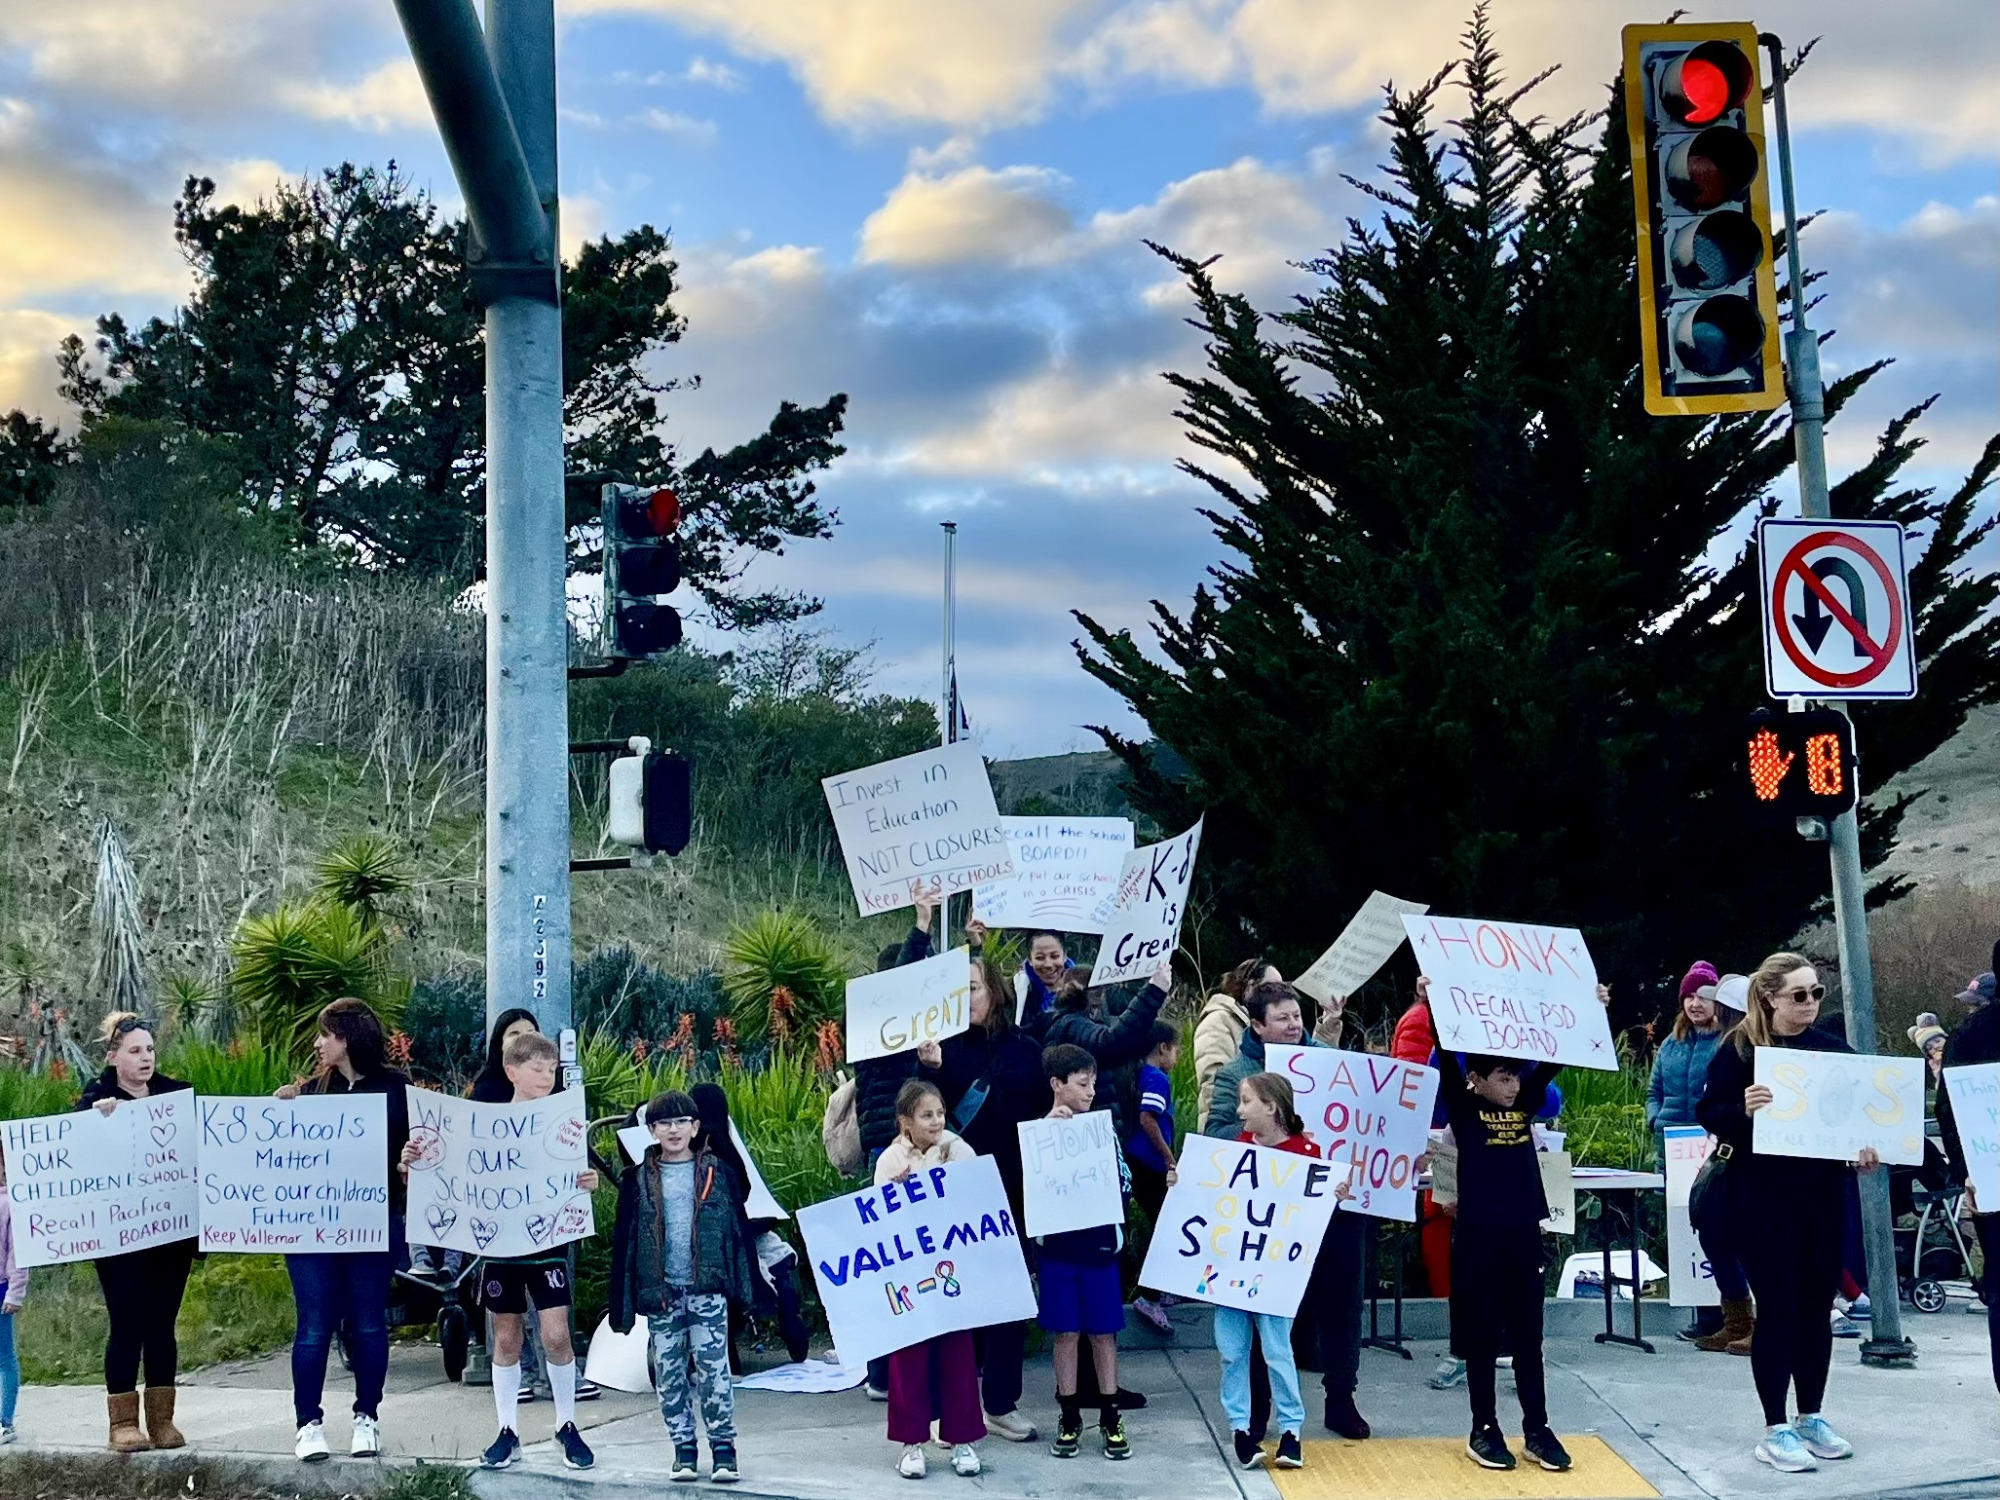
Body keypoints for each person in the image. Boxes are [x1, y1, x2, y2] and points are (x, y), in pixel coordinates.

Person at [1697, 952, 1879, 1474]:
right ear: (1770, 997)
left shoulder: (1831, 1050)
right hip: (1761, 1199)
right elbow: (1708, 1112)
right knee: (1776, 1310)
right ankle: (1775, 1425)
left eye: (1816, 993)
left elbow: (1857, 1116)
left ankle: (1812, 1414)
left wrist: (1863, 1154)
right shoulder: (1740, 1050)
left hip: (1820, 1195)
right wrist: (1742, 1110)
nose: (1809, 1003)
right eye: (1799, 994)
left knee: (1815, 1309)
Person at [1208, 980, 1373, 1440]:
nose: (1293, 1024)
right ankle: (1257, 1413)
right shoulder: (1236, 1075)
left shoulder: (1326, 1062)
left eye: (1296, 1016)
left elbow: (1366, 1125)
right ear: (1257, 1026)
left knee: (1341, 1308)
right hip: (1269, 1217)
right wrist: (1267, 1134)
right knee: (1268, 1314)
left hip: (1332, 1211)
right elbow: (1217, 1133)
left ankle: (1341, 1399)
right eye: (1281, 1018)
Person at [918, 939, 1047, 1442]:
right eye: (954, 990)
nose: (964, 998)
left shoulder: (1027, 1050)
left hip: (1012, 1194)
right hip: (954, 1196)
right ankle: (949, 1408)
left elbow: (1044, 1116)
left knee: (1009, 1301)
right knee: (952, 1300)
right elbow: (916, 1122)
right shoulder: (937, 1051)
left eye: (970, 987)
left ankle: (1000, 1403)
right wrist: (926, 1071)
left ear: (993, 990)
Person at [274, 998, 412, 1463]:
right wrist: (281, 1112)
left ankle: (366, 1417)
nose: (318, 1043)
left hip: (375, 1222)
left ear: (347, 1038)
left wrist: (409, 1164)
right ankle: (307, 1424)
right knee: (313, 1326)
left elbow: (419, 1152)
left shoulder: (398, 1089)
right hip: (312, 1228)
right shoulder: (311, 1092)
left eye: (325, 1035)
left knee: (368, 1323)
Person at [458, 1030, 600, 1473]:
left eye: (553, 1070)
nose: (546, 1077)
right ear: (512, 1071)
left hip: (548, 1241)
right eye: (537, 1069)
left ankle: (566, 1423)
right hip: (503, 1244)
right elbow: (461, 1171)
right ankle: (507, 1430)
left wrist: (587, 1182)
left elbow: (579, 1175)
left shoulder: (564, 1124)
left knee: (556, 1333)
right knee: (506, 1336)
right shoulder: (488, 1124)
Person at [1429, 1029, 1570, 1475]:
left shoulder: (1524, 1103)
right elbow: (1449, 1052)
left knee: (1529, 1338)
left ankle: (1537, 1430)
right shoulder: (1466, 1110)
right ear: (1477, 1079)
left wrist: (1591, 1006)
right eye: (1503, 1078)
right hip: (1478, 1239)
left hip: (1524, 1236)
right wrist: (1436, 1004)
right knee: (1483, 1337)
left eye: (1515, 1078)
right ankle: (1483, 1427)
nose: (1512, 1086)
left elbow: (1553, 1058)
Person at [609, 1088, 758, 1484]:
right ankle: (684, 1449)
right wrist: (622, 1300)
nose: (673, 1130)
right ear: (651, 1130)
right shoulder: (637, 1180)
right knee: (670, 1372)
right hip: (661, 1292)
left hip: (707, 1288)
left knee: (714, 1369)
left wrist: (745, 1288)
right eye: (663, 1123)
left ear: (695, 1127)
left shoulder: (718, 1172)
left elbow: (737, 1231)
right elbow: (624, 1243)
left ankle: (724, 1449)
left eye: (681, 1122)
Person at [77, 1013, 197, 1453]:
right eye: (134, 1050)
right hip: (119, 1242)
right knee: (127, 1323)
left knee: (163, 1326)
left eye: (149, 1049)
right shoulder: (95, 1099)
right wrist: (96, 1119)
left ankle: (162, 1420)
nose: (145, 1058)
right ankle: (122, 1423)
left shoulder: (178, 1096)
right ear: (114, 1057)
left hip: (170, 1236)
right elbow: (72, 1153)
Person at [855, 882, 941, 1401]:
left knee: (904, 1260)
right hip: (888, 1152)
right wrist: (923, 923)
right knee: (895, 1261)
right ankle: (883, 1371)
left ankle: (889, 1370)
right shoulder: (878, 1026)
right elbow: (909, 980)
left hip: (900, 1147)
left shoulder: (903, 1038)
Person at [1218, 1072, 1331, 1472]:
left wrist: (1334, 1195)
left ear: (1272, 1106)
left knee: (1277, 1351)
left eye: (1246, 1101)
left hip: (1276, 1274)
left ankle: (1291, 1430)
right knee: (1232, 1352)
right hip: (1234, 1271)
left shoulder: (1307, 1153)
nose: (1239, 1109)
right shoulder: (1238, 1149)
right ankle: (1239, 1429)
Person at [874, 1079, 985, 1479]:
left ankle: (963, 1440)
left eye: (939, 1113)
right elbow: (881, 1222)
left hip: (951, 1273)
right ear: (905, 1121)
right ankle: (911, 1444)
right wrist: (898, 1193)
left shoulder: (961, 1151)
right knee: (910, 1360)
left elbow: (977, 1205)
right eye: (926, 1115)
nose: (936, 1121)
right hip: (910, 1277)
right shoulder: (889, 1161)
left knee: (959, 1356)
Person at [1036, 1043, 1133, 1461]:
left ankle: (1110, 1414)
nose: (1090, 1091)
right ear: (1057, 1085)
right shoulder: (1038, 1133)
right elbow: (1031, 1187)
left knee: (1103, 1332)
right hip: (1058, 1249)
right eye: (1081, 1083)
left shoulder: (1100, 1129)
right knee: (1066, 1332)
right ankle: (1069, 1414)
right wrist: (1046, 1131)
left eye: (1092, 1083)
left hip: (1098, 1245)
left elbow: (1124, 1180)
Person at [689, 1082, 811, 1368]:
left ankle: (727, 1357)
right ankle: (792, 1336)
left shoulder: (689, 1152)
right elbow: (743, 1192)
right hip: (736, 1237)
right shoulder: (726, 1148)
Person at [1647, 962, 1733, 1344]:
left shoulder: (1730, 1041)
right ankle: (1705, 1316)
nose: (1695, 1003)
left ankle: (1731, 1313)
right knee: (1686, 1233)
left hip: (1713, 1151)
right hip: (1673, 1150)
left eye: (1704, 996)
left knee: (1718, 1230)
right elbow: (1654, 1092)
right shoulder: (1670, 1043)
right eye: (1689, 995)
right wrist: (1655, 1121)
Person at [1932, 968, 1997, 1391]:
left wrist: (1967, 1169)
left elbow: (1947, 1108)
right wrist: (1970, 1170)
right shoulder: (1976, 1033)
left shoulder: (1971, 1032)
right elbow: (1952, 1107)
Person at [1127, 1021, 1181, 1338]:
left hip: (1138, 1159)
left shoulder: (1140, 1074)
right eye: (1176, 1050)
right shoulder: (1157, 1078)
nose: (1176, 1057)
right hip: (1148, 1161)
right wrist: (1167, 1155)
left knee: (1162, 1222)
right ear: (1163, 1048)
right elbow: (1148, 1117)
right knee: (1166, 1226)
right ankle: (1149, 1296)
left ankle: (1162, 1289)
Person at [1195, 958, 1278, 1130]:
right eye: (1271, 988)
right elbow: (1213, 1082)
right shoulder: (1218, 1019)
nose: (1279, 995)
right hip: (1230, 1135)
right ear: (1250, 987)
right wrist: (1222, 1132)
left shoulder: (1263, 1027)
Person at [0, 1150, 25, 1445]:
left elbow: (18, 1254)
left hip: (2, 1288)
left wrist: (16, 1291)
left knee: (4, 1357)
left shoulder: (10, 1205)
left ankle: (5, 1421)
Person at [1018, 930, 1077, 1032]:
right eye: (1040, 958)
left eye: (1054, 956)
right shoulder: (1018, 990)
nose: (1048, 964)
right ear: (1030, 959)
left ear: (1065, 955)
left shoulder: (1086, 988)